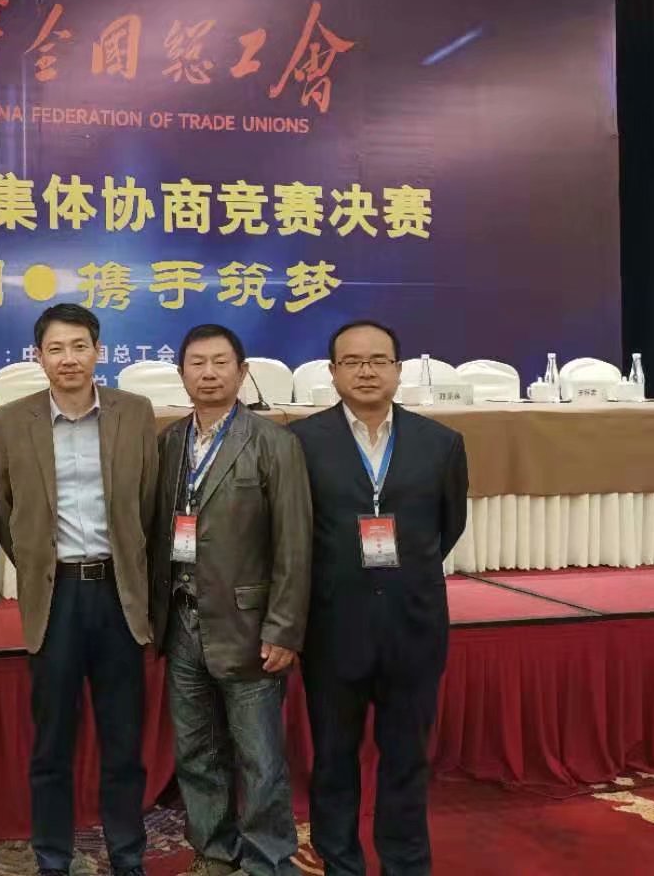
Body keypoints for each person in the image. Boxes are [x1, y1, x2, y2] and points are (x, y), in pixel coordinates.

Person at [289, 321, 467, 876]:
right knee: (333, 758)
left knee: (407, 758)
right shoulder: (300, 442)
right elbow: (293, 531)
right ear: (332, 371)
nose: (366, 371)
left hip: (412, 625)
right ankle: (340, 861)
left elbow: (448, 526)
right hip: (333, 625)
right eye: (352, 361)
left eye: (378, 360)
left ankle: (406, 863)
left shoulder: (440, 443)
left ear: (397, 369)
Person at [0, 303, 158, 876]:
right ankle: (53, 860)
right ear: (38, 356)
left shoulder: (135, 413)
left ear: (98, 352)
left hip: (119, 595)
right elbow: (3, 511)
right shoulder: (10, 422)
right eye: (56, 348)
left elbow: (148, 502)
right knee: (52, 745)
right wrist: (38, 562)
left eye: (79, 346)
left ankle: (128, 857)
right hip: (55, 596)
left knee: (123, 742)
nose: (69, 359)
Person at [150, 324, 311, 876]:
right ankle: (215, 853)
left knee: (260, 758)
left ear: (242, 372)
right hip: (182, 620)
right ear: (182, 374)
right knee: (197, 751)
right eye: (197, 363)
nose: (209, 373)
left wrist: (284, 628)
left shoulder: (274, 442)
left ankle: (268, 861)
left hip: (248, 627)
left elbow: (294, 542)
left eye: (221, 362)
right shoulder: (170, 442)